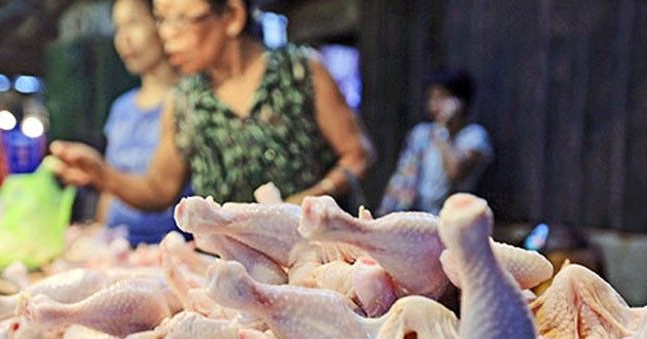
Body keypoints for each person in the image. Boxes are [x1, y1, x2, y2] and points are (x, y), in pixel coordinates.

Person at [51, 0, 373, 213]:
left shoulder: (301, 71)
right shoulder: (184, 101)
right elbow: (159, 189)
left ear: (232, 16)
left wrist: (310, 200)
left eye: (180, 20)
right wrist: (102, 174)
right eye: (162, 21)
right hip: (233, 270)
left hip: (318, 255)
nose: (166, 36)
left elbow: (357, 154)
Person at [98, 0, 182, 246]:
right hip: (119, 248)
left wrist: (97, 172)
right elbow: (108, 192)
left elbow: (161, 191)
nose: (124, 39)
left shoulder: (189, 103)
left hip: (172, 249)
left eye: (133, 23)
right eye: (117, 28)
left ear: (161, 23)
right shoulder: (120, 109)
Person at [377, 71, 493, 216]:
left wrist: (442, 130)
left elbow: (455, 171)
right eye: (431, 98)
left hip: (452, 218)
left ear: (459, 102)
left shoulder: (474, 136)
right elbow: (402, 177)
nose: (434, 104)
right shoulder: (421, 133)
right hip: (414, 214)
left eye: (441, 97)